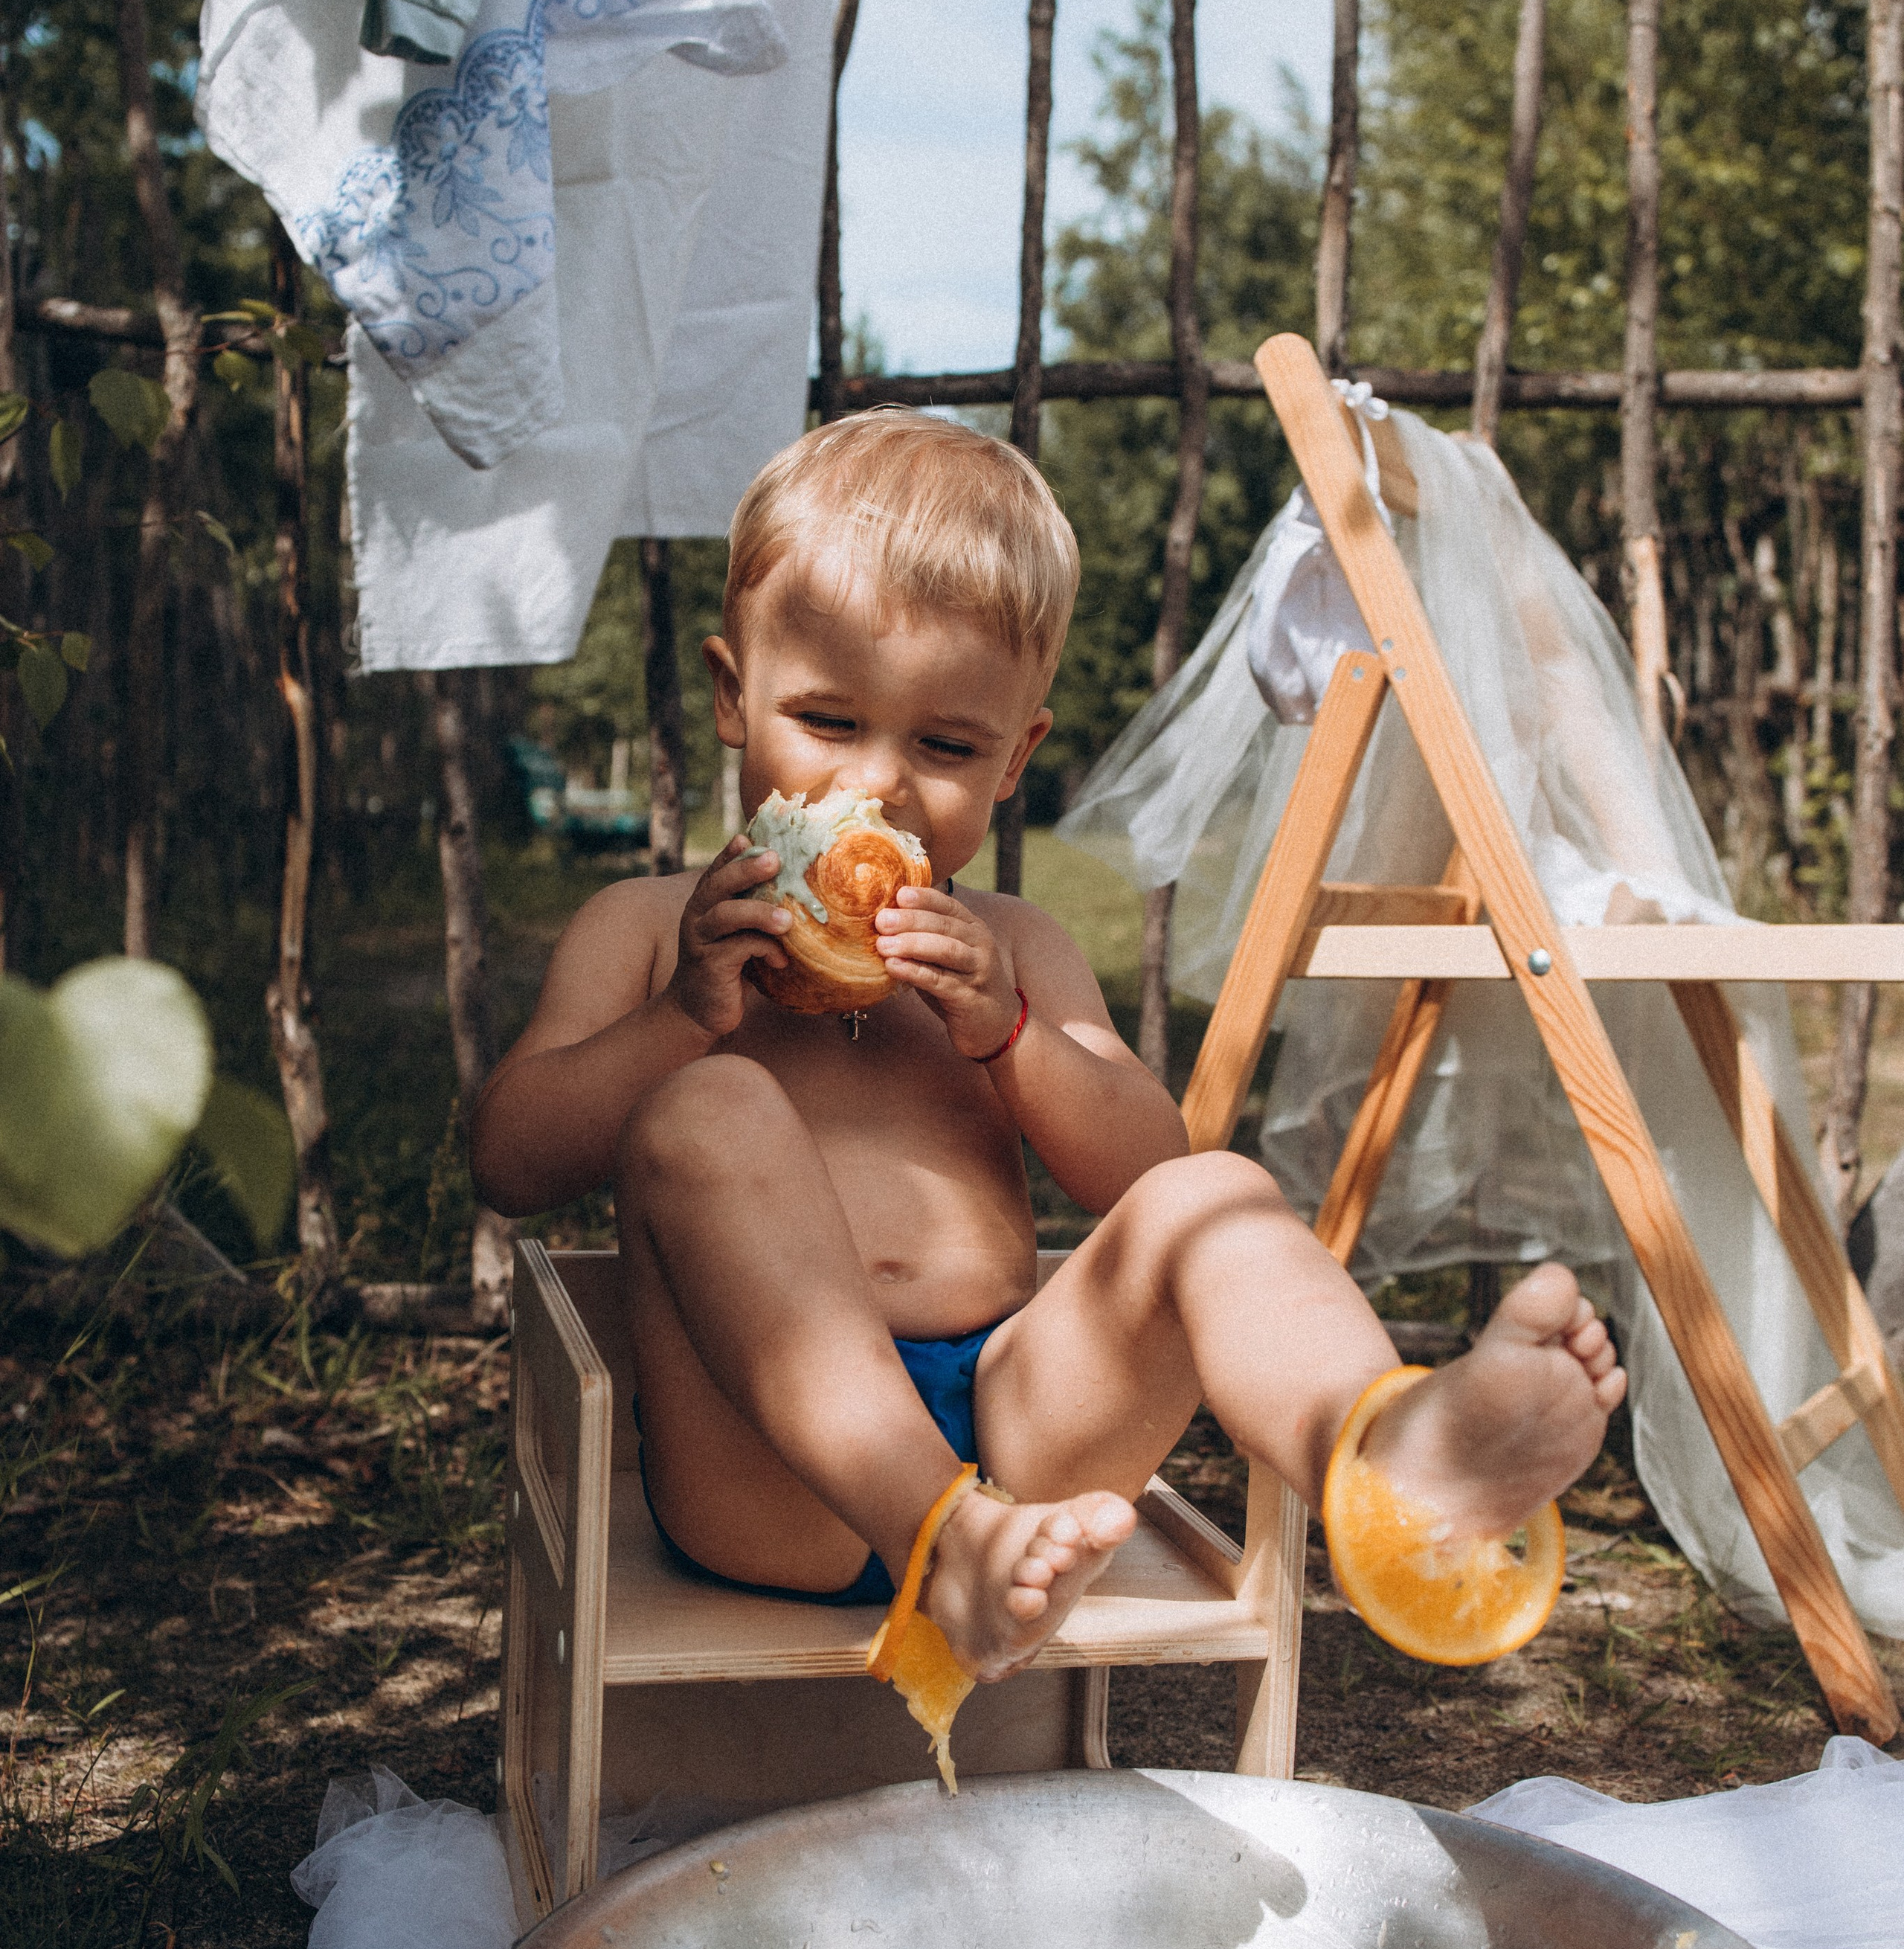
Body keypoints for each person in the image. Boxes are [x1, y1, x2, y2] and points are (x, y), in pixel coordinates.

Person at [472, 411, 1624, 1684]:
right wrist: (680, 1022)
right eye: (829, 721)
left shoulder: (1013, 943)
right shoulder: (645, 931)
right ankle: (939, 1544)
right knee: (711, 1109)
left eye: (947, 745)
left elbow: (1139, 1165)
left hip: (1016, 1425)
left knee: (1215, 1193)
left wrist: (1010, 1034)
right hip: (768, 1471)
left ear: (1018, 754)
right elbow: (510, 1157)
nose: (881, 787)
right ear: (734, 697)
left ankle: (1393, 1463)